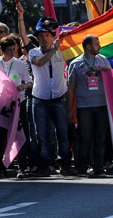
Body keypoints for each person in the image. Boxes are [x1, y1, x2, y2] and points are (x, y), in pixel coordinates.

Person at [29, 17, 74, 176]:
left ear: (53, 37)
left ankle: (65, 163)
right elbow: (40, 62)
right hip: (40, 100)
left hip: (59, 98)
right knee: (42, 135)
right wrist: (53, 50)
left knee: (62, 133)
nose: (44, 38)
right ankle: (45, 164)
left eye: (47, 35)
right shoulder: (33, 52)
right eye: (40, 36)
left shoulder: (62, 51)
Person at [67, 34, 111, 177]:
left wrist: (108, 72)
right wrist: (70, 111)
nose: (99, 46)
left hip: (102, 105)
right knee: (85, 138)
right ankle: (82, 167)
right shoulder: (75, 64)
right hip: (84, 106)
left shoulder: (103, 60)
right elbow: (71, 88)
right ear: (88, 47)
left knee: (100, 138)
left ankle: (98, 167)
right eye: (96, 44)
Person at [0, 35, 33, 178]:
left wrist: (24, 85)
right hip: (1, 104)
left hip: (17, 103)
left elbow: (30, 81)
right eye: (9, 50)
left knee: (19, 134)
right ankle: (0, 167)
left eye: (14, 49)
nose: (12, 52)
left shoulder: (20, 63)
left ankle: (22, 167)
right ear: (2, 50)